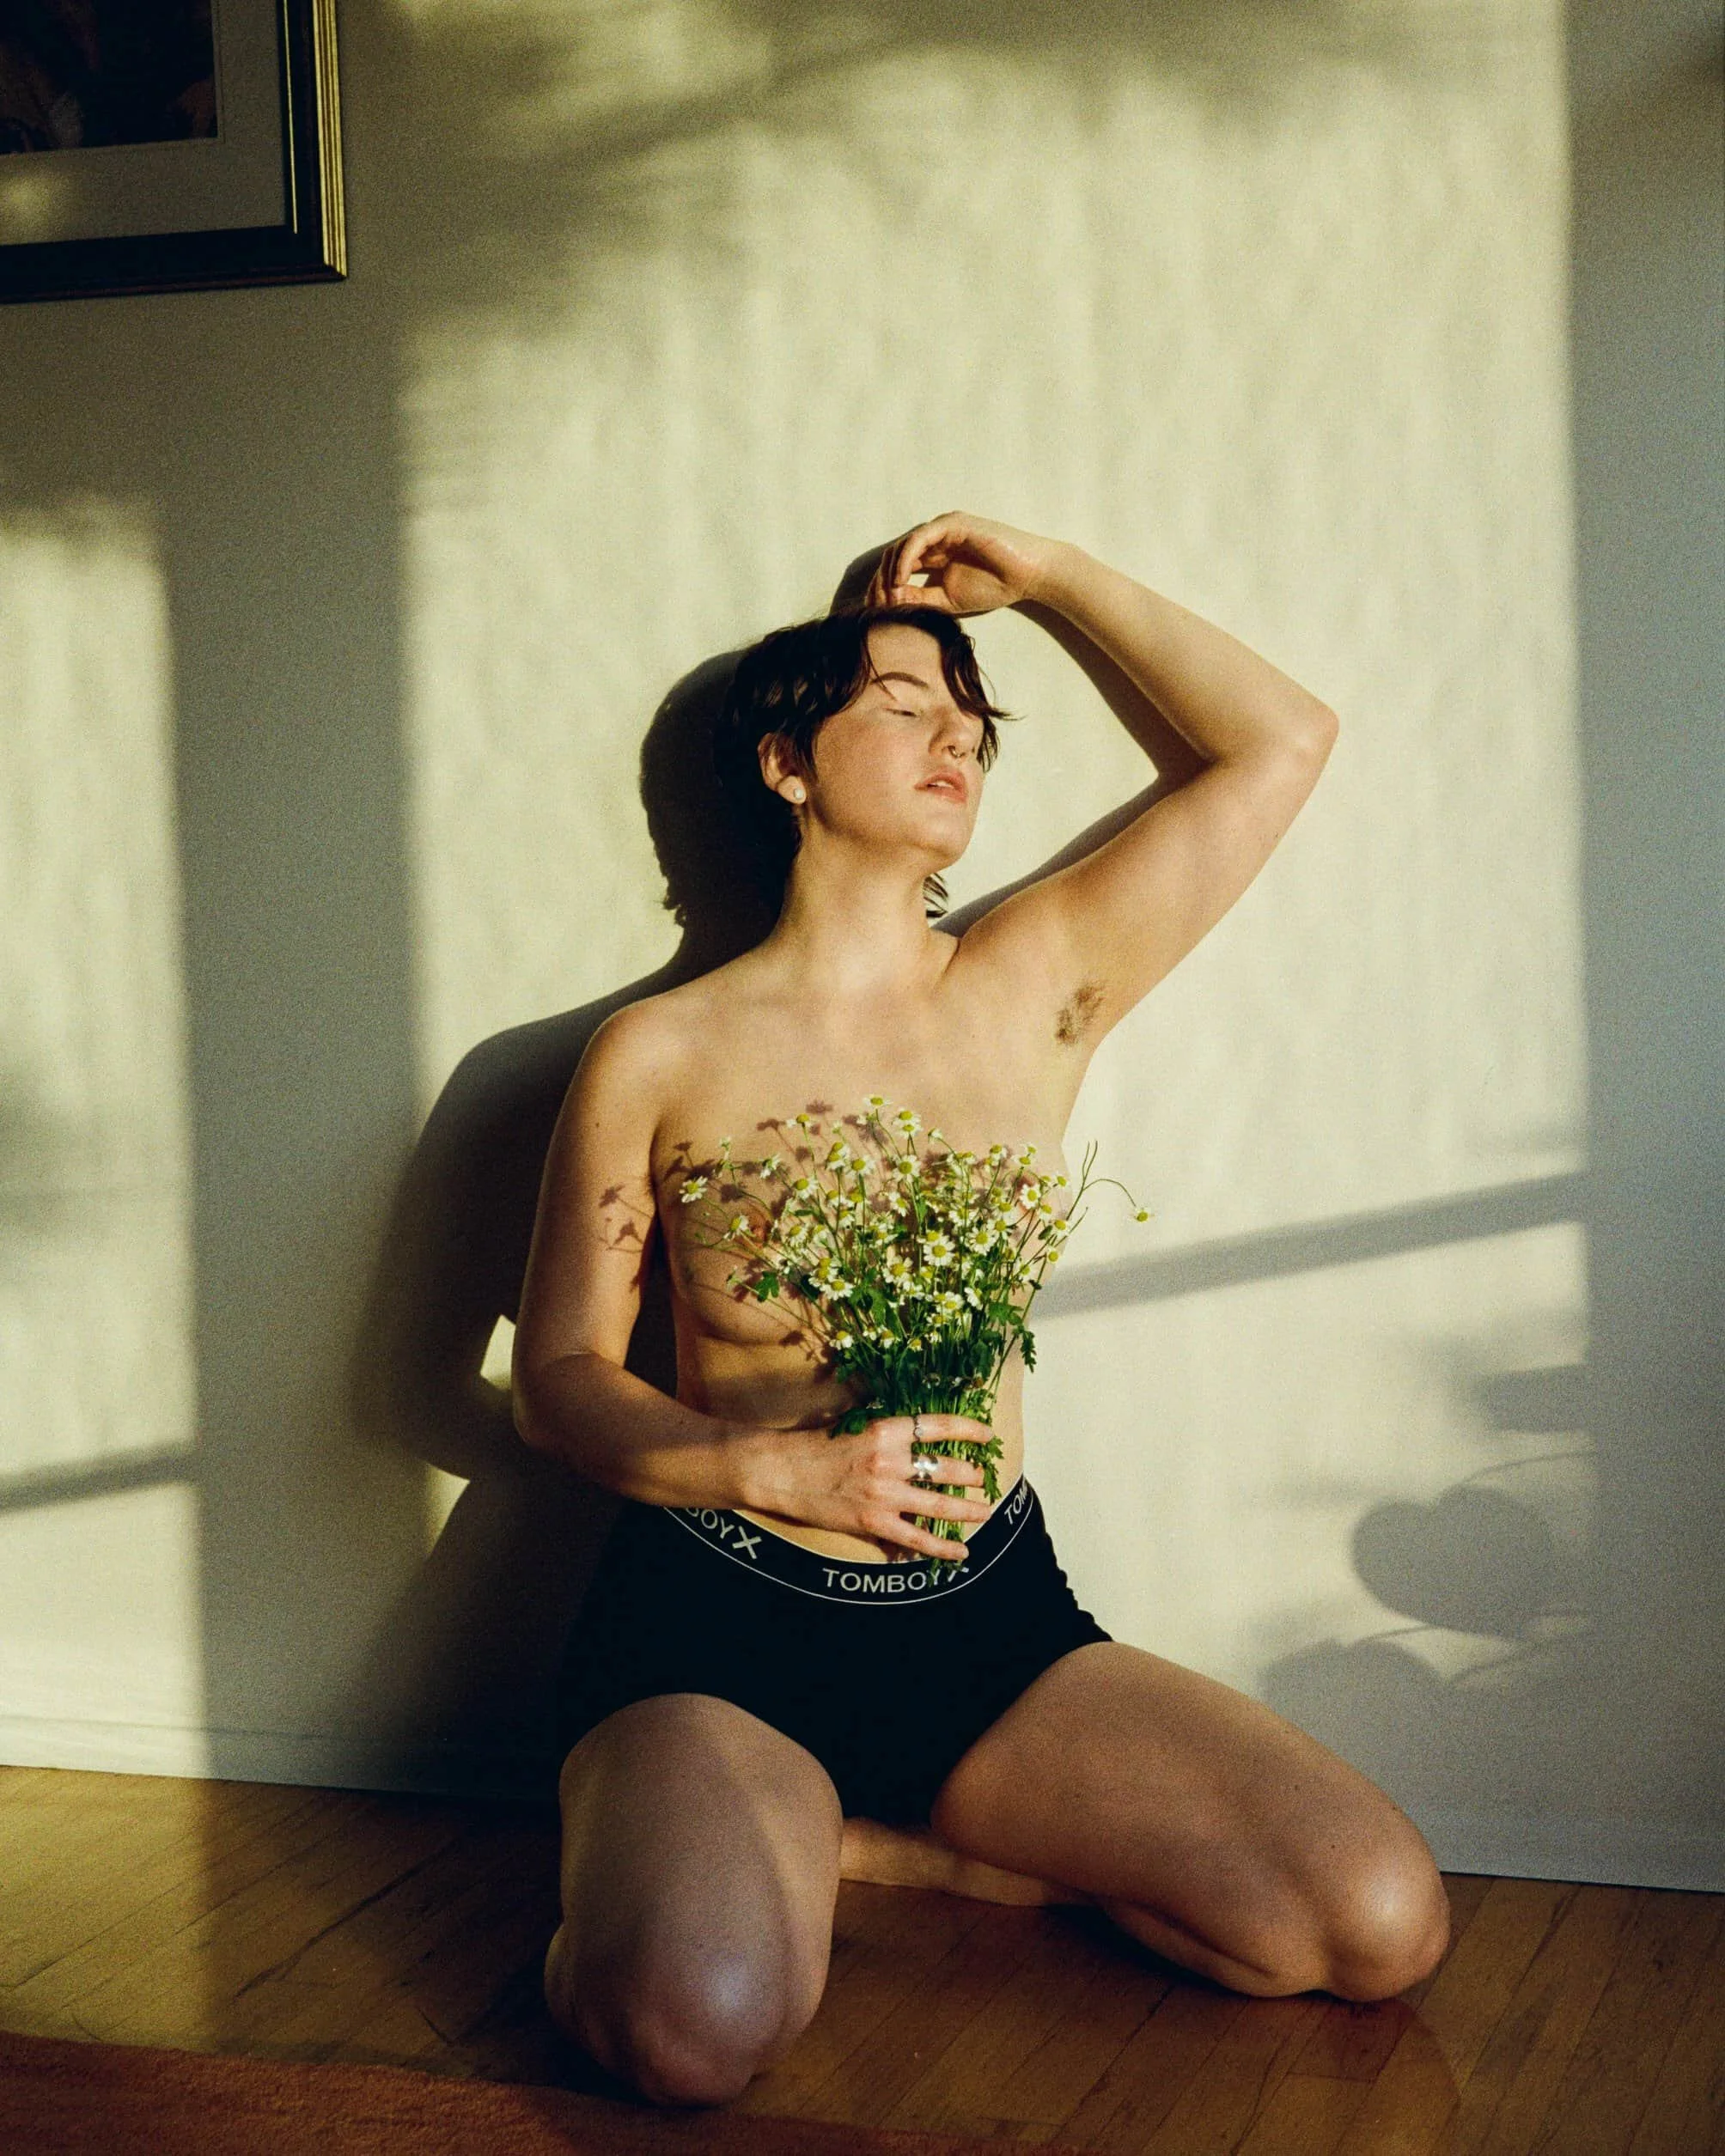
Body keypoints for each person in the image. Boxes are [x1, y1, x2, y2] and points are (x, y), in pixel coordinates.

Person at [512, 512, 1451, 2107]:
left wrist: (1055, 578)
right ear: (786, 762)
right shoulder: (657, 1052)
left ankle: (897, 1841)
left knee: (1377, 1922)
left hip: (982, 1625)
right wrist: (769, 1466)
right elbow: (555, 1375)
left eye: (973, 718)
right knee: (690, 2030)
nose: (957, 736)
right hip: (712, 1625)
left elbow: (1282, 740)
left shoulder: (1030, 983)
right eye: (903, 705)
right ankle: (669, 1863)